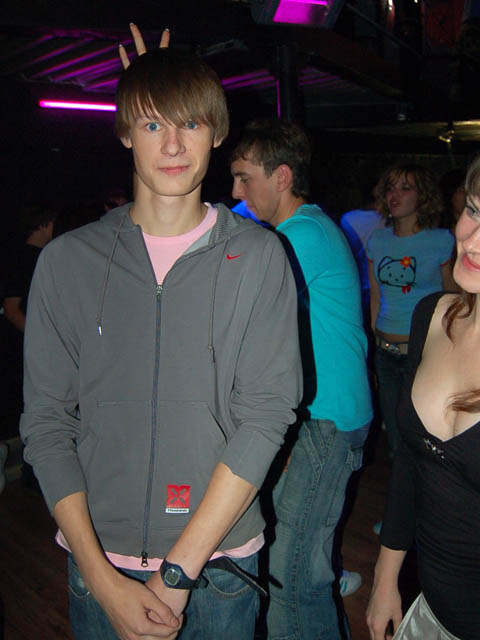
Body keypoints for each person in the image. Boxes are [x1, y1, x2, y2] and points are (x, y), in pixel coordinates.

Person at [21, 33, 302, 640]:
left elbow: (265, 416)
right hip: (100, 564)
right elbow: (45, 422)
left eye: (190, 123)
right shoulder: (68, 262)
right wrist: (99, 576)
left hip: (218, 568)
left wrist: (178, 572)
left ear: (217, 132)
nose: (173, 145)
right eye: (152, 124)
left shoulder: (259, 257)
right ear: (125, 133)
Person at [231, 118, 373, 640]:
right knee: (298, 562)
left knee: (292, 575)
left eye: (245, 178)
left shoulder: (300, 237)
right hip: (322, 415)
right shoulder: (299, 231)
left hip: (327, 418)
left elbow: (239, 312)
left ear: (282, 176)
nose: (237, 192)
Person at [366, 155, 480, 640]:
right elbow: (411, 466)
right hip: (428, 611)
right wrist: (385, 577)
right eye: (474, 210)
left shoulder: (434, 244)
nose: (472, 240)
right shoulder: (432, 316)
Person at [367, 164, 456, 455]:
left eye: (405, 188)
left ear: (423, 196)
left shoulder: (441, 240)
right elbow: (376, 298)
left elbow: (452, 298)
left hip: (423, 354)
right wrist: (373, 344)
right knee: (395, 442)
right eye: (390, 188)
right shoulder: (377, 240)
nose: (395, 195)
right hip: (385, 353)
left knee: (422, 439)